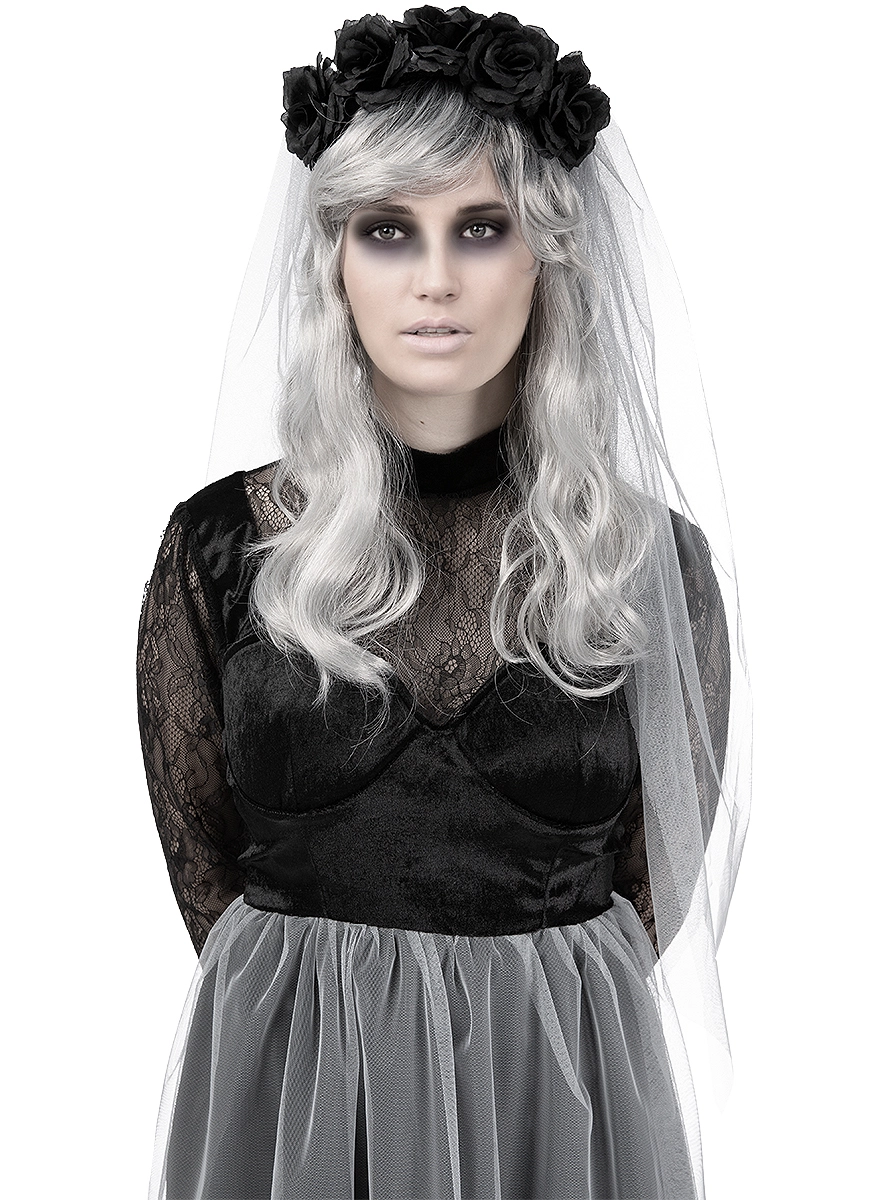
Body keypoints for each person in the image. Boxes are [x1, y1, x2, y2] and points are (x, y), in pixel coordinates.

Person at [137, 8, 751, 1198]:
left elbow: (653, 882)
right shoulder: (219, 550)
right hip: (299, 1089)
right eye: (387, 231)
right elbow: (202, 868)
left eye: (481, 227)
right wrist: (336, 1036)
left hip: (554, 1095)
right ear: (334, 260)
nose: (433, 280)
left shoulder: (645, 564)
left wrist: (514, 1024)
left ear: (547, 253)